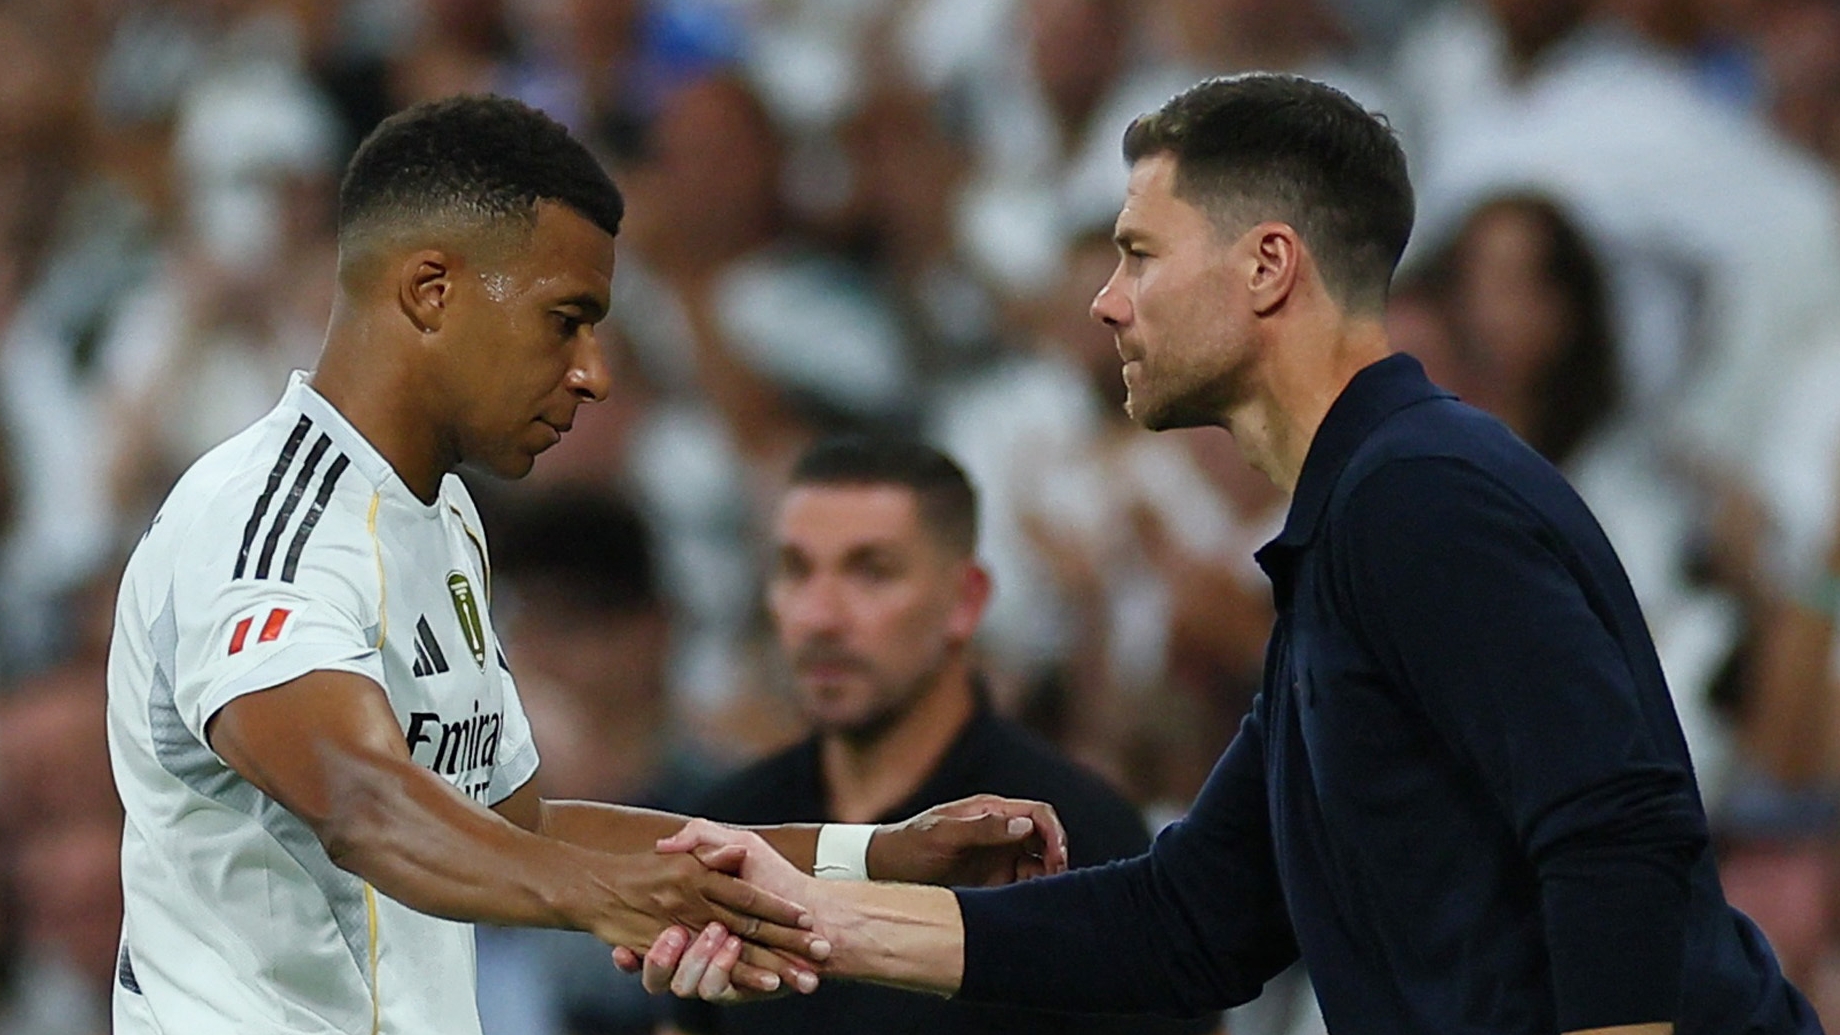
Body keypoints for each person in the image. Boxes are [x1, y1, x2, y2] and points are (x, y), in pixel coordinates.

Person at [628, 73, 1822, 1035]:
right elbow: (1190, 919)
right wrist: (808, 914)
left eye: (1139, 254)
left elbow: (1613, 829)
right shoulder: (1359, 516)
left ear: (1266, 267)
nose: (1103, 301)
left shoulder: (1421, 498)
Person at [103, 94, 1067, 1035]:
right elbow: (364, 806)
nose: (593, 371)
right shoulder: (264, 521)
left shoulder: (443, 518)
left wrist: (872, 856)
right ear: (430, 291)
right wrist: (621, 900)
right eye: (566, 319)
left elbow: (518, 827)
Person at [668, 435, 1220, 1035]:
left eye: (871, 572)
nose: (819, 616)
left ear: (965, 600)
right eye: (796, 570)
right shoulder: (731, 826)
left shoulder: (1075, 839)